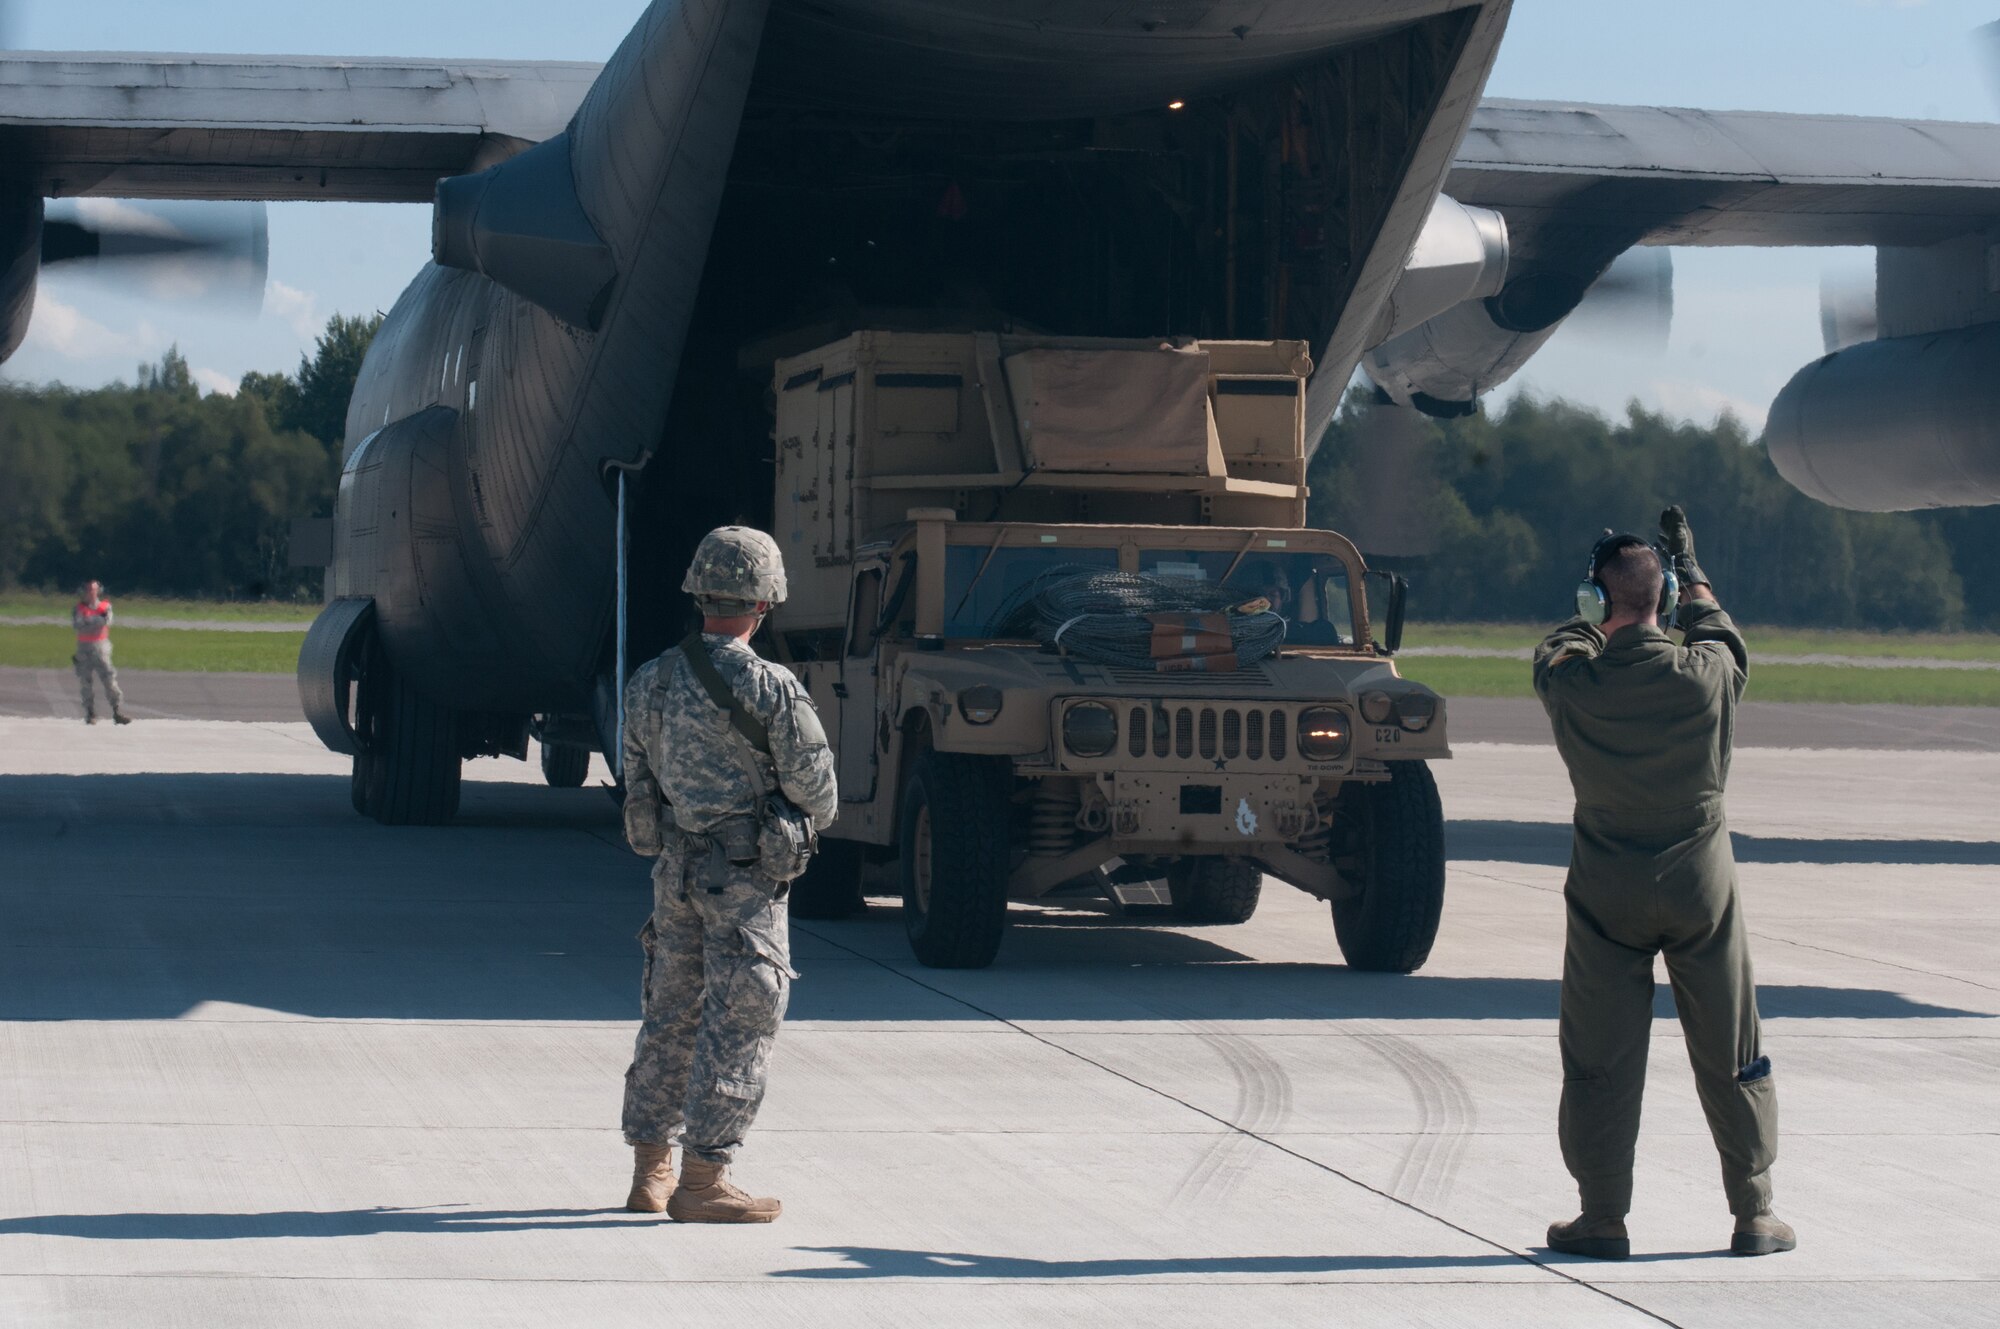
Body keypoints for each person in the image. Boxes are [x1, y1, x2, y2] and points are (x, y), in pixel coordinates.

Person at [1532, 506, 1793, 1260]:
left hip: (1608, 891)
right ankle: (1754, 1212)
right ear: (1668, 598)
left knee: (1599, 1057)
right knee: (1732, 1047)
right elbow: (1721, 633)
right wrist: (1691, 574)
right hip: (1699, 888)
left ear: (1593, 604)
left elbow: (1558, 648)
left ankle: (1602, 1215)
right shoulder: (1707, 676)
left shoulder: (1573, 684)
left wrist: (1591, 615)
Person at [618, 526, 838, 1223]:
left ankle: (650, 1170)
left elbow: (639, 783)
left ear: (699, 592)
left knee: (669, 1015)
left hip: (675, 874)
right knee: (740, 1020)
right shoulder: (772, 688)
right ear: (766, 600)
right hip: (743, 882)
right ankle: (705, 1179)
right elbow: (820, 793)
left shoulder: (649, 681)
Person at [72, 580, 130, 725]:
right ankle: (90, 713)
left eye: (94, 589)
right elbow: (78, 624)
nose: (91, 592)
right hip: (84, 648)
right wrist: (95, 621)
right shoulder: (79, 608)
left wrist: (89, 620)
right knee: (85, 682)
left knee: (109, 679)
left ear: (98, 591)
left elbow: (106, 621)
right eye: (88, 589)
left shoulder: (105, 606)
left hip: (101, 648)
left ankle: (117, 711)